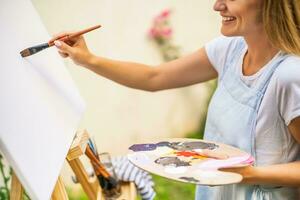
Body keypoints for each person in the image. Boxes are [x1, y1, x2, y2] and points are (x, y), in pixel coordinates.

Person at [51, 0, 300, 199]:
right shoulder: (230, 49)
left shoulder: (289, 75)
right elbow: (154, 77)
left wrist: (247, 175)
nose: (217, 5)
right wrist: (87, 59)